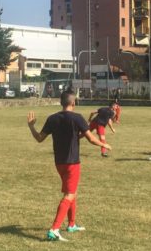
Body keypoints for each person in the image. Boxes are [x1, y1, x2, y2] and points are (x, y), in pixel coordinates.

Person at [27, 91, 111, 241]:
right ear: (74, 102)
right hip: (72, 163)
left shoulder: (52, 118)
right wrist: (104, 144)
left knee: (72, 192)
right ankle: (54, 229)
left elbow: (40, 138)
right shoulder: (77, 118)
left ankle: (71, 225)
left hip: (59, 162)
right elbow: (91, 139)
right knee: (69, 195)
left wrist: (31, 127)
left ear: (61, 102)